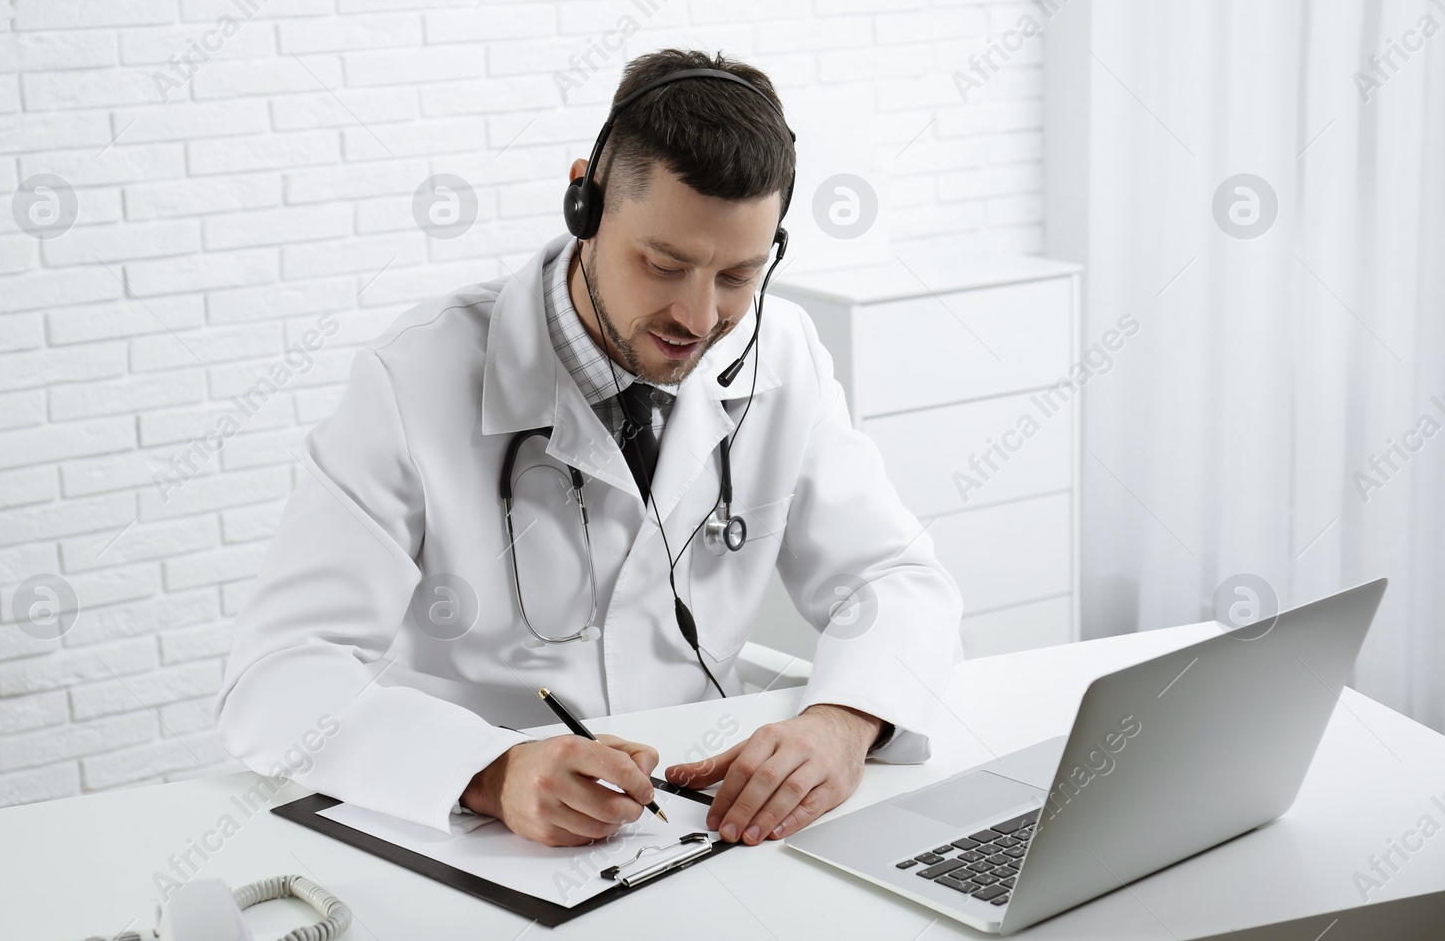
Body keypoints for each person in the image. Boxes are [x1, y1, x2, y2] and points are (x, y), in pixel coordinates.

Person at [213, 48, 963, 850]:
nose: (700, 317)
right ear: (587, 200)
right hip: (488, 845)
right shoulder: (414, 376)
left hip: (695, 827)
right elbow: (277, 677)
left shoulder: (782, 353)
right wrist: (488, 770)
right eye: (664, 263)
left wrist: (845, 721)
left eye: (738, 275)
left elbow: (895, 576)